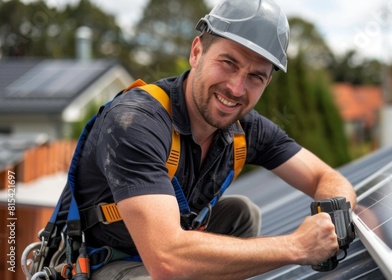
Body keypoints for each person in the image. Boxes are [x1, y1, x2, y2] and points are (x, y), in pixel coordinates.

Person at [71, 0, 356, 278]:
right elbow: (166, 258)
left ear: (267, 82)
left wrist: (335, 219)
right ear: (197, 52)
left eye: (255, 77)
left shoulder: (246, 128)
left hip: (170, 254)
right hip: (103, 263)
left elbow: (325, 177)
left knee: (241, 213)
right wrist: (296, 247)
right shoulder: (134, 122)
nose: (236, 88)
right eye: (229, 63)